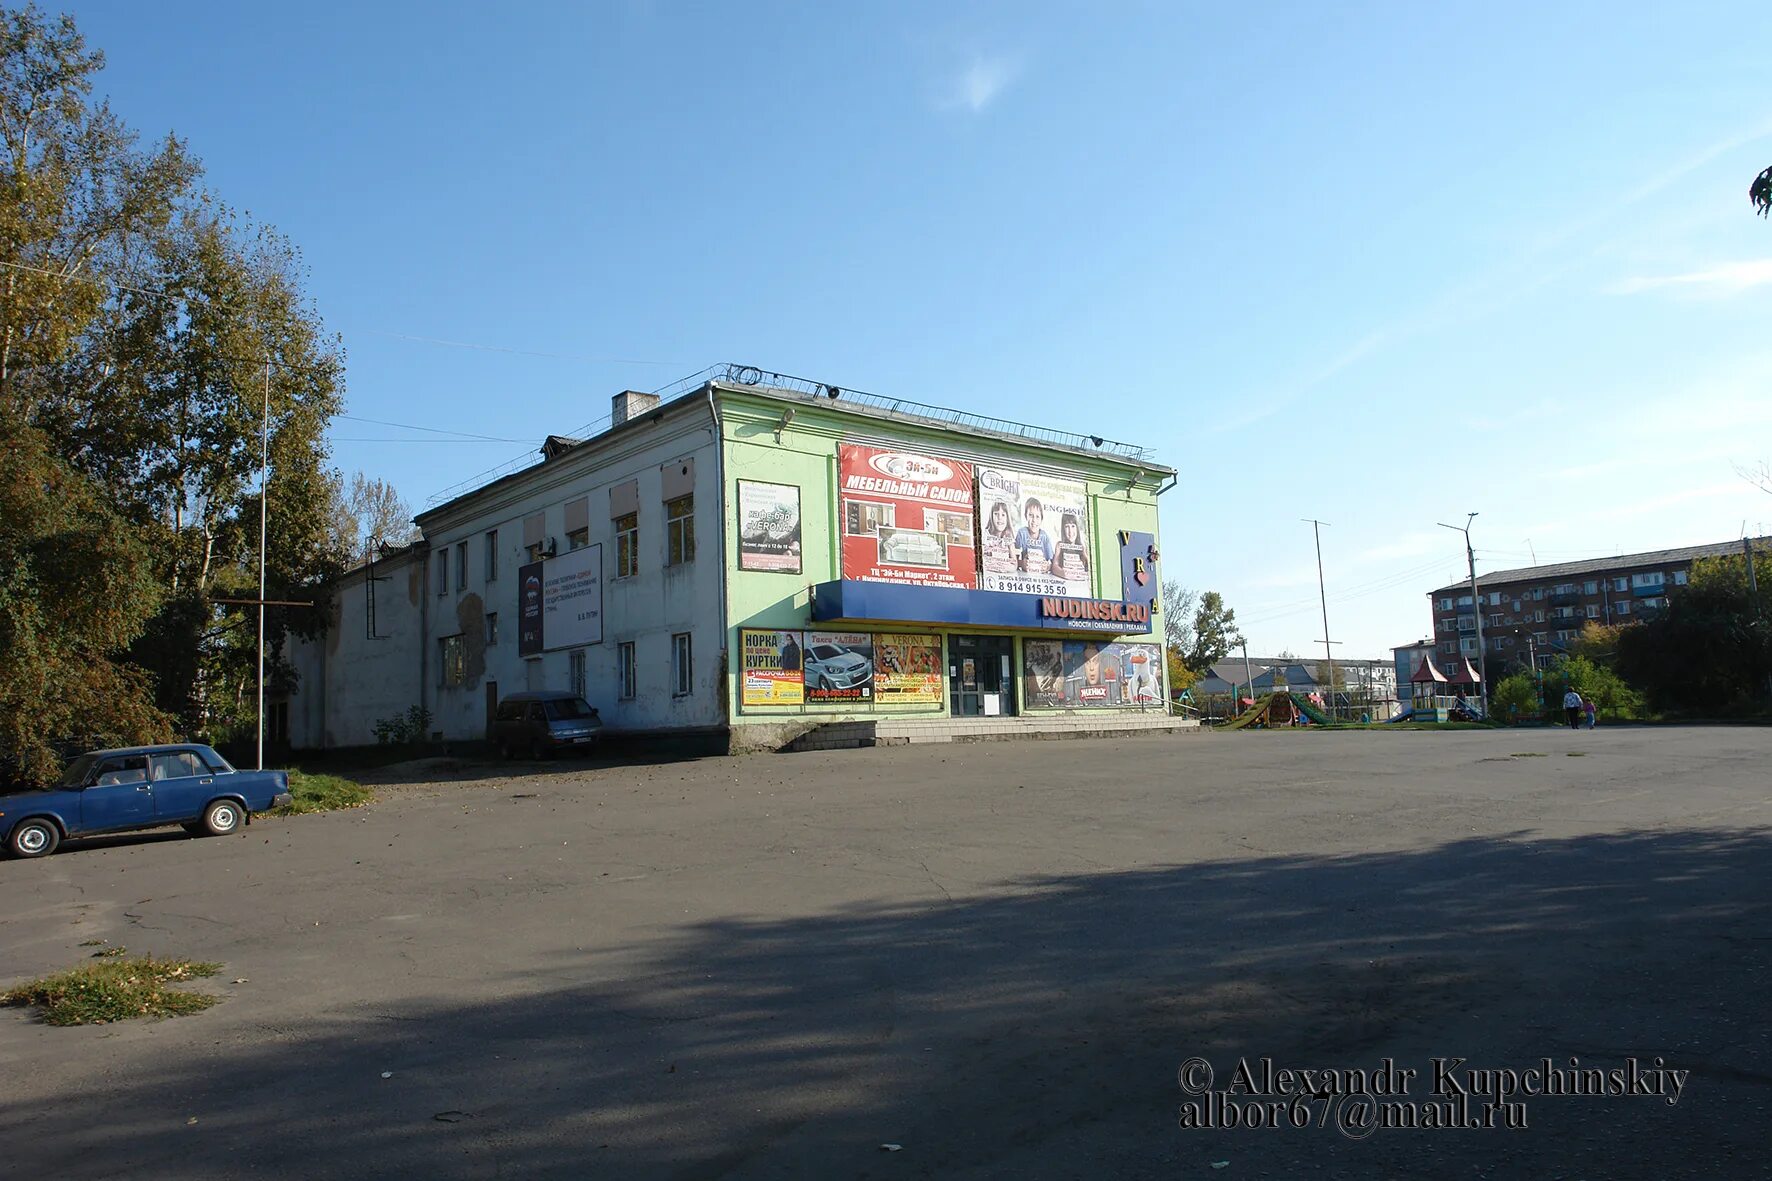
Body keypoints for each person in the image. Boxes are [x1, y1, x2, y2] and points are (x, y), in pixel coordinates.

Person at [1013, 497, 1054, 573]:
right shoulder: (1022, 533)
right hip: (1026, 576)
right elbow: (1013, 560)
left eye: (1037, 516)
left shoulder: (1044, 537)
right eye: (1031, 515)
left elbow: (1053, 563)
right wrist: (1022, 564)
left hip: (1041, 576)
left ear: (1041, 519)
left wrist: (1048, 567)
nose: (1034, 520)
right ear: (1026, 516)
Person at [1050, 512, 1091, 583]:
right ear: (1063, 529)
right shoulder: (1060, 545)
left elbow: (1092, 568)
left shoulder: (1082, 547)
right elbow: (1054, 567)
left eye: (1073, 526)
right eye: (1067, 527)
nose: (1070, 531)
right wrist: (1064, 574)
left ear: (1077, 528)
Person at [981, 500, 1016, 573]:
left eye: (1003, 515)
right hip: (988, 573)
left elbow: (1014, 565)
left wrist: (1007, 567)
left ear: (1007, 518)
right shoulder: (986, 534)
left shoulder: (1008, 537)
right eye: (996, 514)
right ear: (991, 516)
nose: (1000, 518)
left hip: (1003, 575)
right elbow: (982, 559)